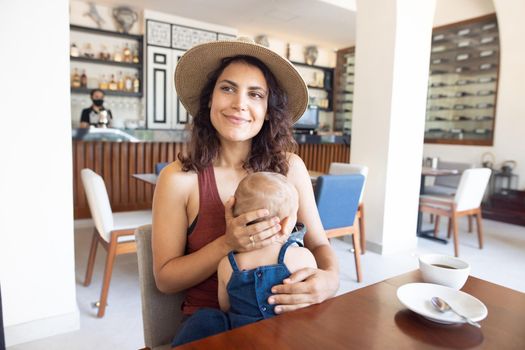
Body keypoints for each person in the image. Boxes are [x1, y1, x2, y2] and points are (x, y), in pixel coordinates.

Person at [152, 37, 339, 339]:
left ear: (268, 110)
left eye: (255, 94)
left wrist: (330, 278)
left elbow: (319, 243)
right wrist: (227, 243)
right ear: (209, 99)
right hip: (212, 327)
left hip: (288, 321)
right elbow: (165, 279)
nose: (240, 103)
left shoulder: (291, 168)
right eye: (227, 88)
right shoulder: (179, 178)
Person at [172, 172, 317, 346]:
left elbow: (225, 306)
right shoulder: (302, 257)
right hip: (288, 338)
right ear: (287, 224)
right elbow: (312, 300)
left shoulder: (227, 264)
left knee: (207, 318)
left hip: (240, 339)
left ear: (233, 216)